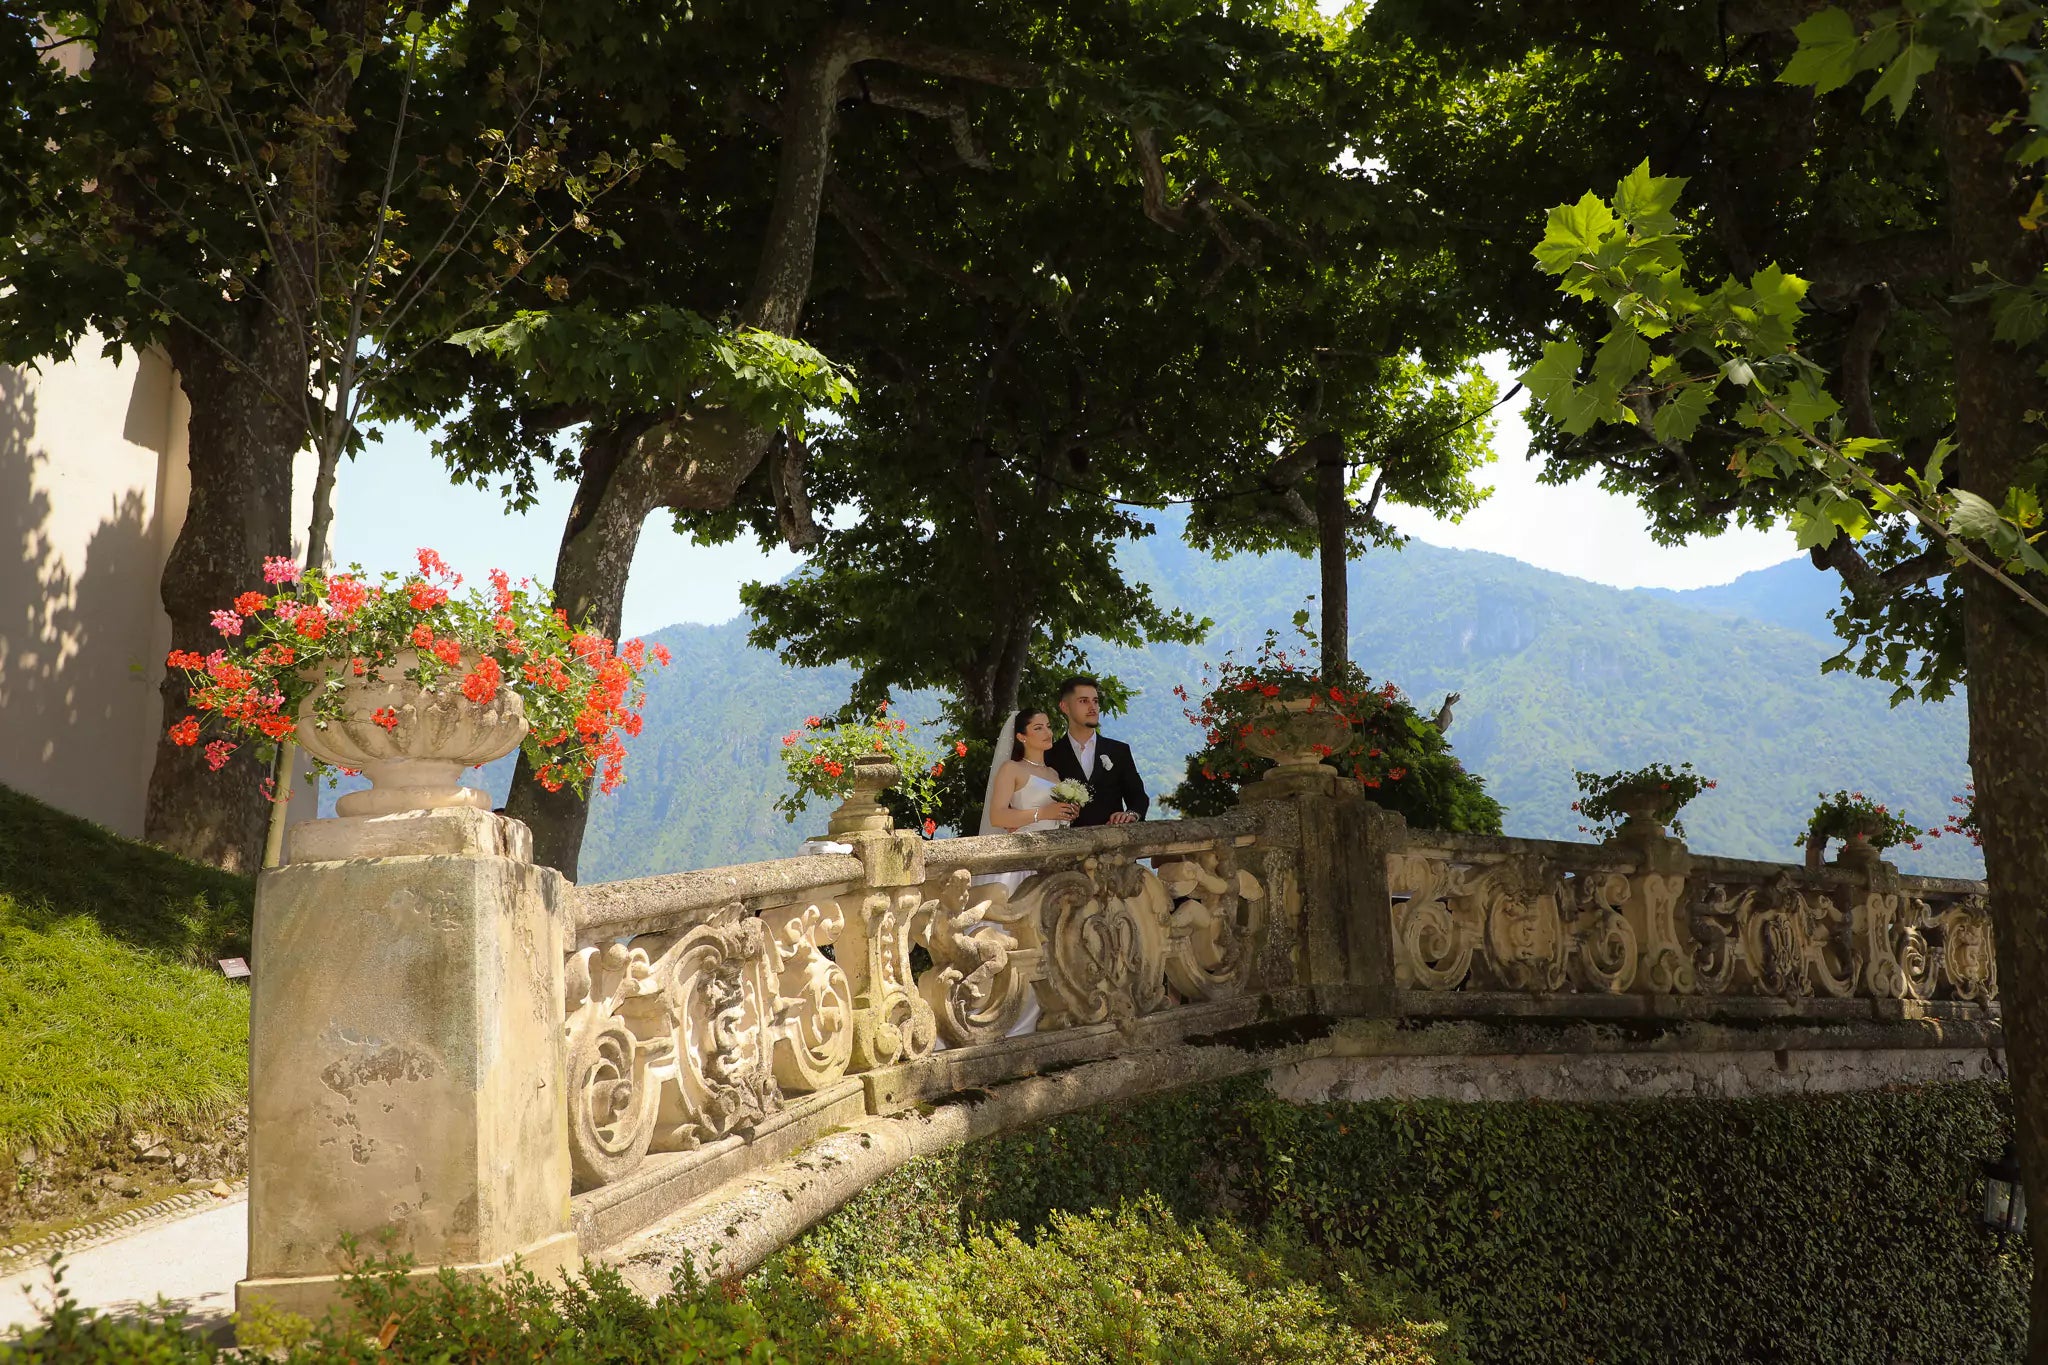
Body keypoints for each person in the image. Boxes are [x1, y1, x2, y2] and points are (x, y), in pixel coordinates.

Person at [1047, 676, 1149, 827]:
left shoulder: (1119, 751)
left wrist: (1131, 814)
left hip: (1114, 843)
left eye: (1095, 701)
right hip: (1066, 845)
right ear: (1065, 707)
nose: (1092, 707)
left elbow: (1138, 796)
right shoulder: (1049, 754)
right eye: (1083, 701)